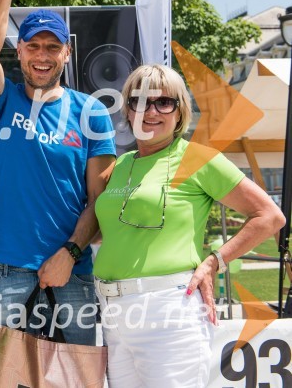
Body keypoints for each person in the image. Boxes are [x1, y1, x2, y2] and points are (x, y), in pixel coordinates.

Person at [93, 64, 286, 387]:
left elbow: (269, 216)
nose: (151, 111)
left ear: (179, 111)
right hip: (114, 313)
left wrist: (215, 261)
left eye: (164, 102)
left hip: (169, 311)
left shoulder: (197, 159)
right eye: (139, 101)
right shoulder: (122, 163)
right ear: (127, 110)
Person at [0, 0, 116, 345]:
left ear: (66, 53)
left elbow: (99, 200)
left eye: (52, 47)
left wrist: (69, 253)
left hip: (73, 269)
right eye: (33, 45)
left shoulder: (91, 111)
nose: (42, 54)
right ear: (18, 51)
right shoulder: (3, 98)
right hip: (6, 267)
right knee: (6, 376)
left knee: (76, 376)